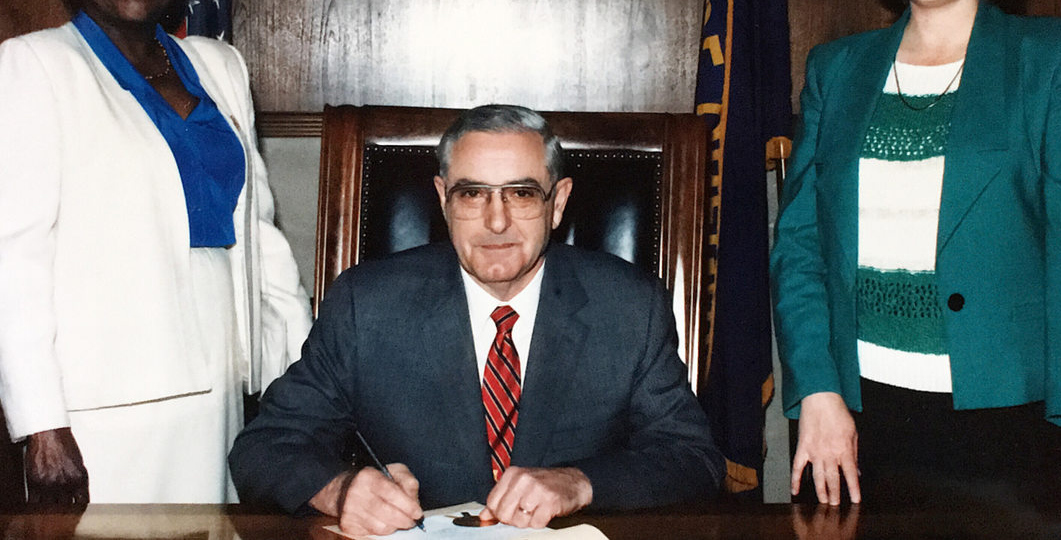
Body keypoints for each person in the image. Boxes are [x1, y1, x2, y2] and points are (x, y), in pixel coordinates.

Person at [771, 0, 1061, 510]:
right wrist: (816, 390)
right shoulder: (836, 69)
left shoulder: (1052, 60)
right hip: (856, 411)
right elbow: (799, 245)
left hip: (1008, 413)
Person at [229, 104, 724, 534]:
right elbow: (265, 447)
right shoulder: (368, 304)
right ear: (443, 198)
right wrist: (338, 491)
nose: (496, 221)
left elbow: (692, 459)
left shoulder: (628, 306)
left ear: (559, 203)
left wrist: (580, 482)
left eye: (522, 194)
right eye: (472, 194)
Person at [0, 0, 312, 503]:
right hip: (101, 407)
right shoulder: (35, 68)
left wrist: (299, 375)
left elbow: (260, 235)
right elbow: (14, 263)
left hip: (222, 390)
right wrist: (41, 425)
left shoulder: (220, 66)